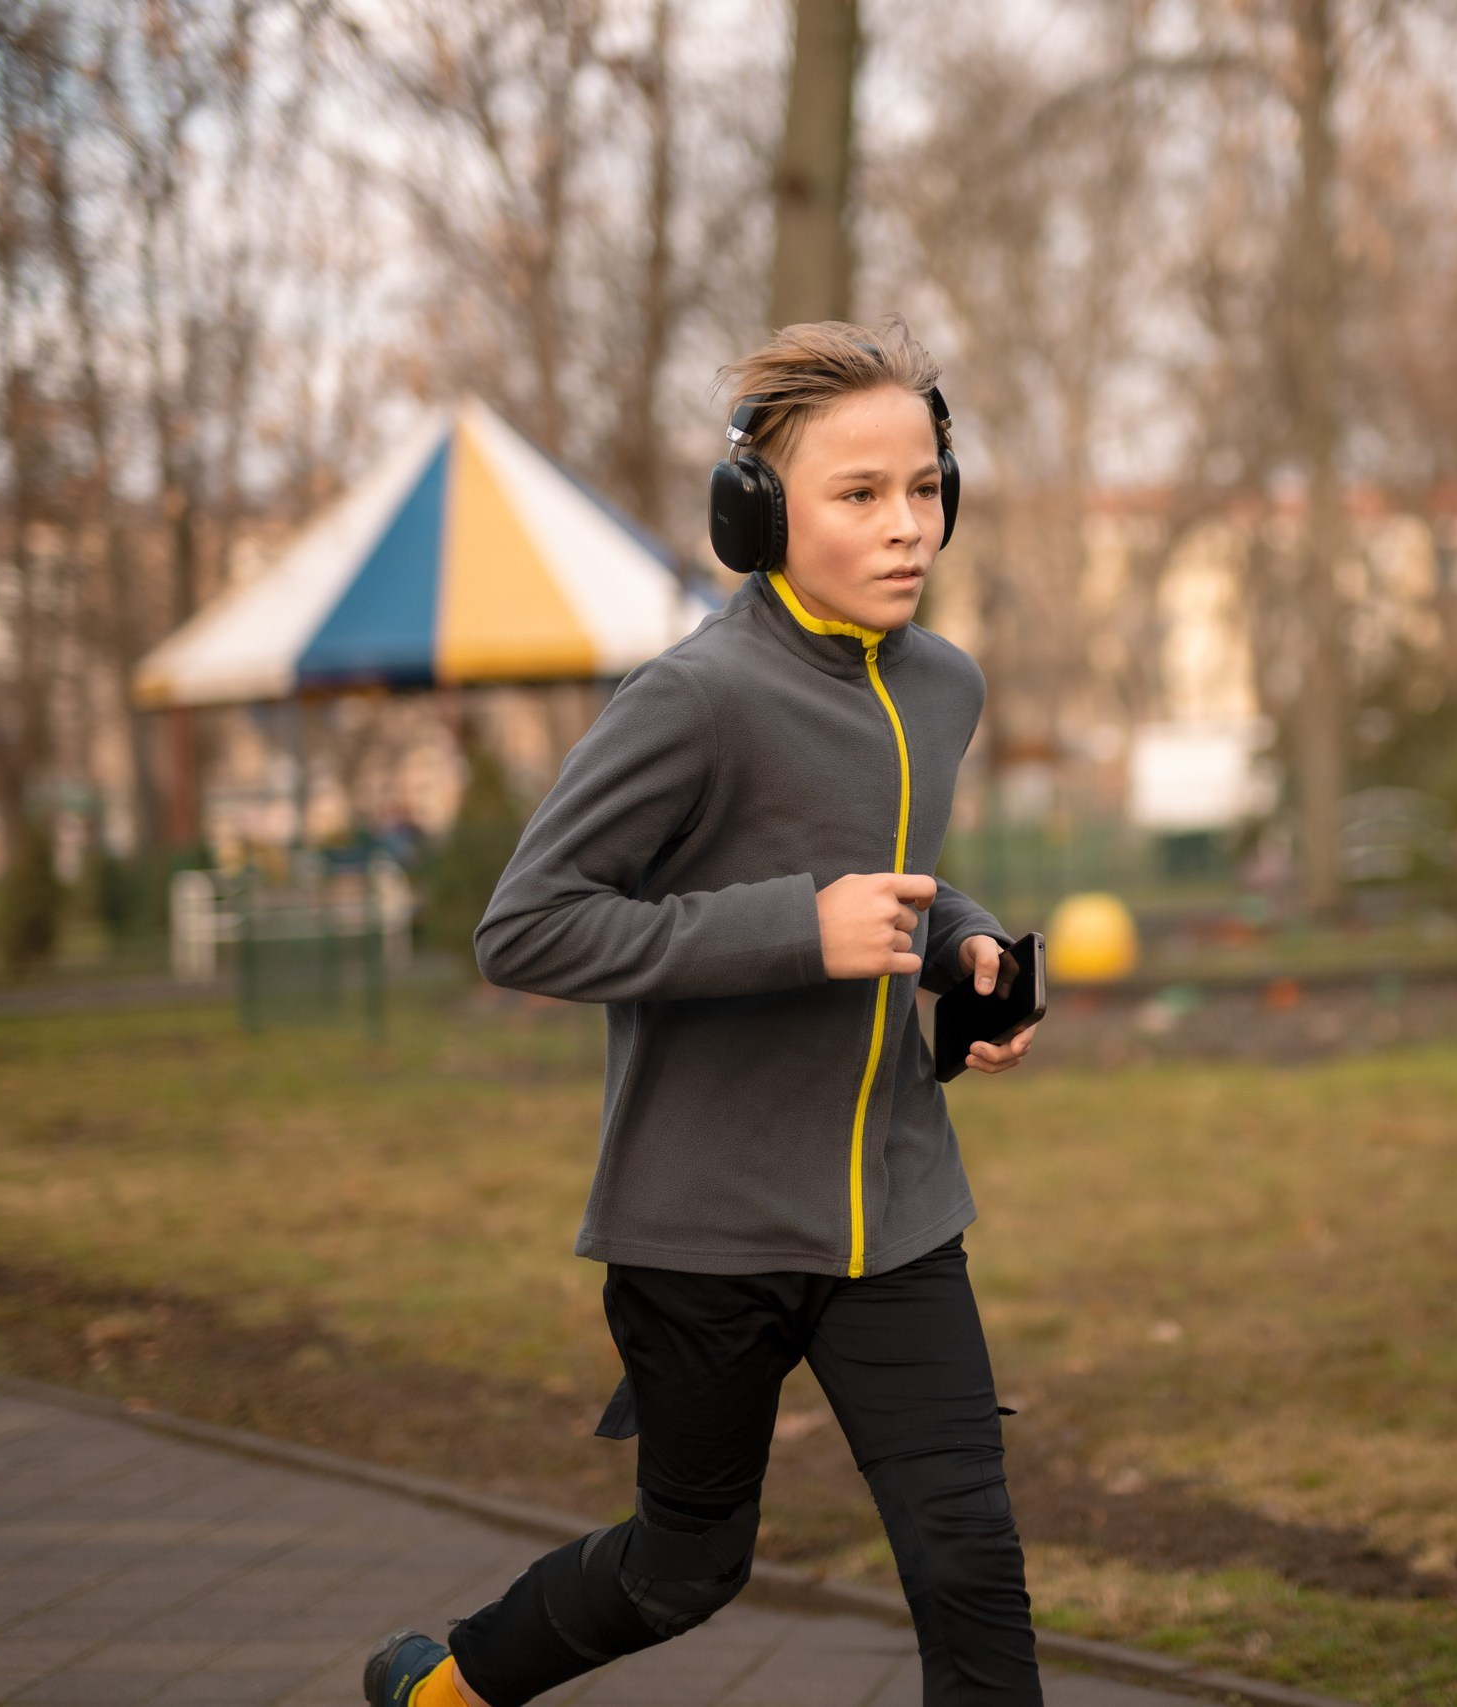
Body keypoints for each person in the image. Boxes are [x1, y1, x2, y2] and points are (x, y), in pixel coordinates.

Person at [364, 318, 1042, 1707]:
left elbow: (900, 876)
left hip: (894, 1214)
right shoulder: (694, 699)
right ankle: (446, 1691)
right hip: (705, 1235)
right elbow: (527, 926)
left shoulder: (943, 685)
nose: (906, 526)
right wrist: (799, 929)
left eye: (925, 488)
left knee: (972, 1572)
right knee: (685, 1567)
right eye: (859, 496)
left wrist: (963, 945)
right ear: (757, 514)